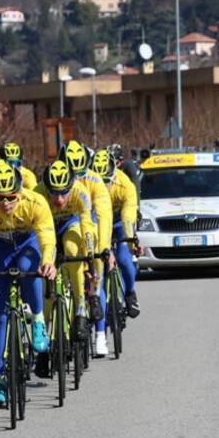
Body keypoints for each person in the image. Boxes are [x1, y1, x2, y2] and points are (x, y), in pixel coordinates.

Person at [0, 160, 56, 408]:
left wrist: (48, 261)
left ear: (19, 191)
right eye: (0, 198)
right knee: (0, 316)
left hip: (27, 244)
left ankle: (37, 319)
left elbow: (47, 237)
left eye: (11, 197)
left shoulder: (35, 202)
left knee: (30, 269)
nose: (6, 203)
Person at [34, 159, 95, 376]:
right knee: (46, 285)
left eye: (63, 193)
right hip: (45, 227)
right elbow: (33, 230)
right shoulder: (38, 193)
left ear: (71, 187)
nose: (59, 199)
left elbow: (88, 225)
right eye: (54, 193)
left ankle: (79, 306)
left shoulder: (81, 192)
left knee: (72, 248)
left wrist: (89, 255)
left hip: (70, 224)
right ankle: (42, 347)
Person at [60, 139, 114, 357]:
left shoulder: (95, 181)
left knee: (96, 278)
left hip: (91, 222)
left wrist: (104, 249)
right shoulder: (60, 179)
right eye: (74, 172)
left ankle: (101, 335)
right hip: (67, 223)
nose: (78, 176)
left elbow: (103, 216)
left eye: (81, 171)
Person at [92, 148, 141, 318]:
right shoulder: (88, 184)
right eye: (98, 180)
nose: (103, 186)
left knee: (123, 258)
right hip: (99, 222)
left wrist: (130, 241)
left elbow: (128, 218)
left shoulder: (124, 184)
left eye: (106, 180)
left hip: (119, 222)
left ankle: (130, 292)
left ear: (114, 174)